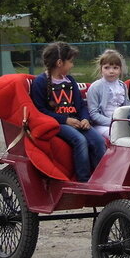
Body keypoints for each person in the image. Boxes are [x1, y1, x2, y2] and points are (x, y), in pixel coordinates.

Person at [30, 42, 106, 182]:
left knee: (98, 141)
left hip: (76, 121)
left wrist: (85, 119)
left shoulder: (70, 80)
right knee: (80, 140)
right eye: (70, 62)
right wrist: (65, 120)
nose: (72, 65)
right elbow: (41, 111)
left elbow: (81, 105)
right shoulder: (40, 82)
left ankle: (101, 179)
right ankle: (84, 181)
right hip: (58, 123)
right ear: (60, 62)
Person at [86, 49, 130, 140]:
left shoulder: (122, 86)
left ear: (120, 69)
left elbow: (127, 107)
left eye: (115, 68)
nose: (111, 71)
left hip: (121, 122)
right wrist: (113, 122)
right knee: (118, 136)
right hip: (102, 125)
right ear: (101, 69)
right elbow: (94, 114)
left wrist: (125, 121)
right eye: (107, 67)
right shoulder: (95, 87)